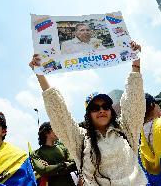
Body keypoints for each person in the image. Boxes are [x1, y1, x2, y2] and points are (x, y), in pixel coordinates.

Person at [29, 42, 148, 185]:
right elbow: (60, 114)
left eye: (105, 106)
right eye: (95, 108)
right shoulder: (81, 139)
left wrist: (136, 61)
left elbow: (133, 100)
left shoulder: (125, 130)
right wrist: (40, 73)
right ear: (88, 115)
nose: (101, 110)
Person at [30, 122, 78, 186]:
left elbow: (75, 164)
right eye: (55, 128)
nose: (58, 131)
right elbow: (43, 170)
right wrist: (64, 164)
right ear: (46, 133)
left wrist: (51, 168)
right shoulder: (36, 154)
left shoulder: (64, 148)